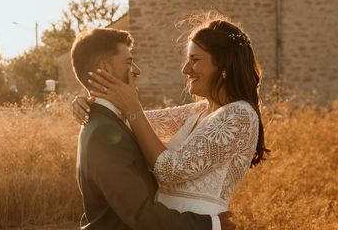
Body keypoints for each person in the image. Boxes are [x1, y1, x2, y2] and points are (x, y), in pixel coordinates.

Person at [74, 16, 268, 221]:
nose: (185, 69)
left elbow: (171, 170)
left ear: (224, 67)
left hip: (200, 223)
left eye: (195, 60)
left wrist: (133, 107)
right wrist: (88, 101)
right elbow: (125, 120)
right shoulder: (197, 112)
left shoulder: (239, 115)